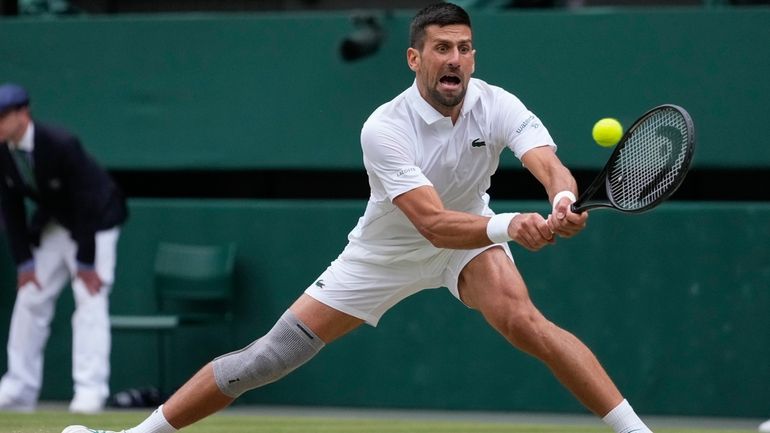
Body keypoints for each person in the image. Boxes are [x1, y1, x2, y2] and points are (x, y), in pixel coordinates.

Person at [64, 3, 654, 432]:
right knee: (268, 358)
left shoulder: (497, 103)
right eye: (442, 48)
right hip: (386, 251)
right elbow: (429, 223)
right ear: (414, 56)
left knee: (531, 326)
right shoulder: (384, 127)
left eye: (465, 47)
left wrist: (556, 200)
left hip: (468, 243)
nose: (456, 59)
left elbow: (548, 164)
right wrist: (508, 227)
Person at [0, 83, 128, 414]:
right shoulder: (3, 151)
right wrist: (24, 263)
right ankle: (18, 389)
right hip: (56, 224)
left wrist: (86, 262)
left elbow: (86, 203)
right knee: (30, 297)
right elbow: (10, 206)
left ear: (22, 114)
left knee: (90, 299)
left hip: (95, 223)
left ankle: (90, 392)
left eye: (1, 117)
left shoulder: (60, 144)